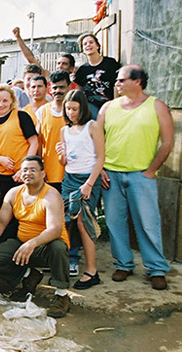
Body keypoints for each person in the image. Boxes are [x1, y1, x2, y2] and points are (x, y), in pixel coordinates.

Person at [98, 65, 173, 290]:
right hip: (111, 174)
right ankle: (123, 264)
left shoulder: (157, 106)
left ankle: (156, 269)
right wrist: (100, 168)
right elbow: (97, 140)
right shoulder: (107, 107)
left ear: (137, 81)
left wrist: (151, 170)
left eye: (121, 80)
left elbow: (168, 142)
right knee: (114, 222)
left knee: (148, 223)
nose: (117, 84)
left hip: (141, 175)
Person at [0, 156, 72, 318]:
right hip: (22, 243)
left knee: (58, 247)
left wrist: (32, 243)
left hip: (46, 246)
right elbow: (1, 221)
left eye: (33, 170)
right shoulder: (14, 193)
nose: (28, 173)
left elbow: (55, 230)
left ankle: (62, 295)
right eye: (25, 170)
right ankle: (29, 275)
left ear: (43, 174)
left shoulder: (51, 195)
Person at [56, 89, 105, 289]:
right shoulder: (64, 130)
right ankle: (65, 263)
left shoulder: (92, 126)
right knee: (65, 221)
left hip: (88, 178)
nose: (71, 113)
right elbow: (64, 161)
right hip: (69, 178)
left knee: (84, 223)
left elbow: (101, 157)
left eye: (74, 109)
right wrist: (61, 155)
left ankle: (91, 271)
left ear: (82, 108)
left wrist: (89, 184)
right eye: (68, 109)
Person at [0, 84, 38, 198]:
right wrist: (0, 159)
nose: (1, 104)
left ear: (11, 100)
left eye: (5, 101)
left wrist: (24, 168)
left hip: (23, 174)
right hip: (3, 174)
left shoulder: (21, 116)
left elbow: (34, 142)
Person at [35, 70, 70, 190]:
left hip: (72, 172)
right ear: (50, 89)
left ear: (69, 87)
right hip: (50, 171)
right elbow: (39, 142)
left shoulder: (75, 111)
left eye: (62, 87)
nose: (58, 91)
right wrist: (40, 167)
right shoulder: (42, 111)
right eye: (55, 88)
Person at [74, 33, 120, 119]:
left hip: (109, 104)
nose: (88, 45)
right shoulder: (82, 70)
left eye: (91, 42)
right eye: (85, 44)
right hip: (91, 107)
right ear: (82, 49)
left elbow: (116, 85)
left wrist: (115, 104)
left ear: (97, 46)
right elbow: (78, 90)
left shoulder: (110, 63)